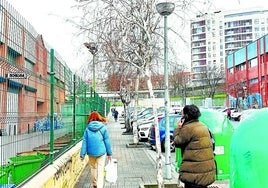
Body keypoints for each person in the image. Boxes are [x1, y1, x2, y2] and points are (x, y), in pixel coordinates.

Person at [173, 104, 216, 188]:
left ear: (186, 116)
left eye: (182, 114)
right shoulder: (204, 126)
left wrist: (178, 127)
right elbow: (213, 144)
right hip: (206, 171)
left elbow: (177, 142)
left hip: (193, 173)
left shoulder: (188, 128)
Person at [80, 111, 112, 188]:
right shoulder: (103, 127)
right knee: (100, 170)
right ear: (99, 118)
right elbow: (107, 141)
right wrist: (109, 153)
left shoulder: (87, 129)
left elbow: (85, 142)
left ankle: (94, 183)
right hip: (101, 152)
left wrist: (82, 154)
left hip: (91, 153)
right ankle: (100, 186)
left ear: (90, 118)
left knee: (93, 168)